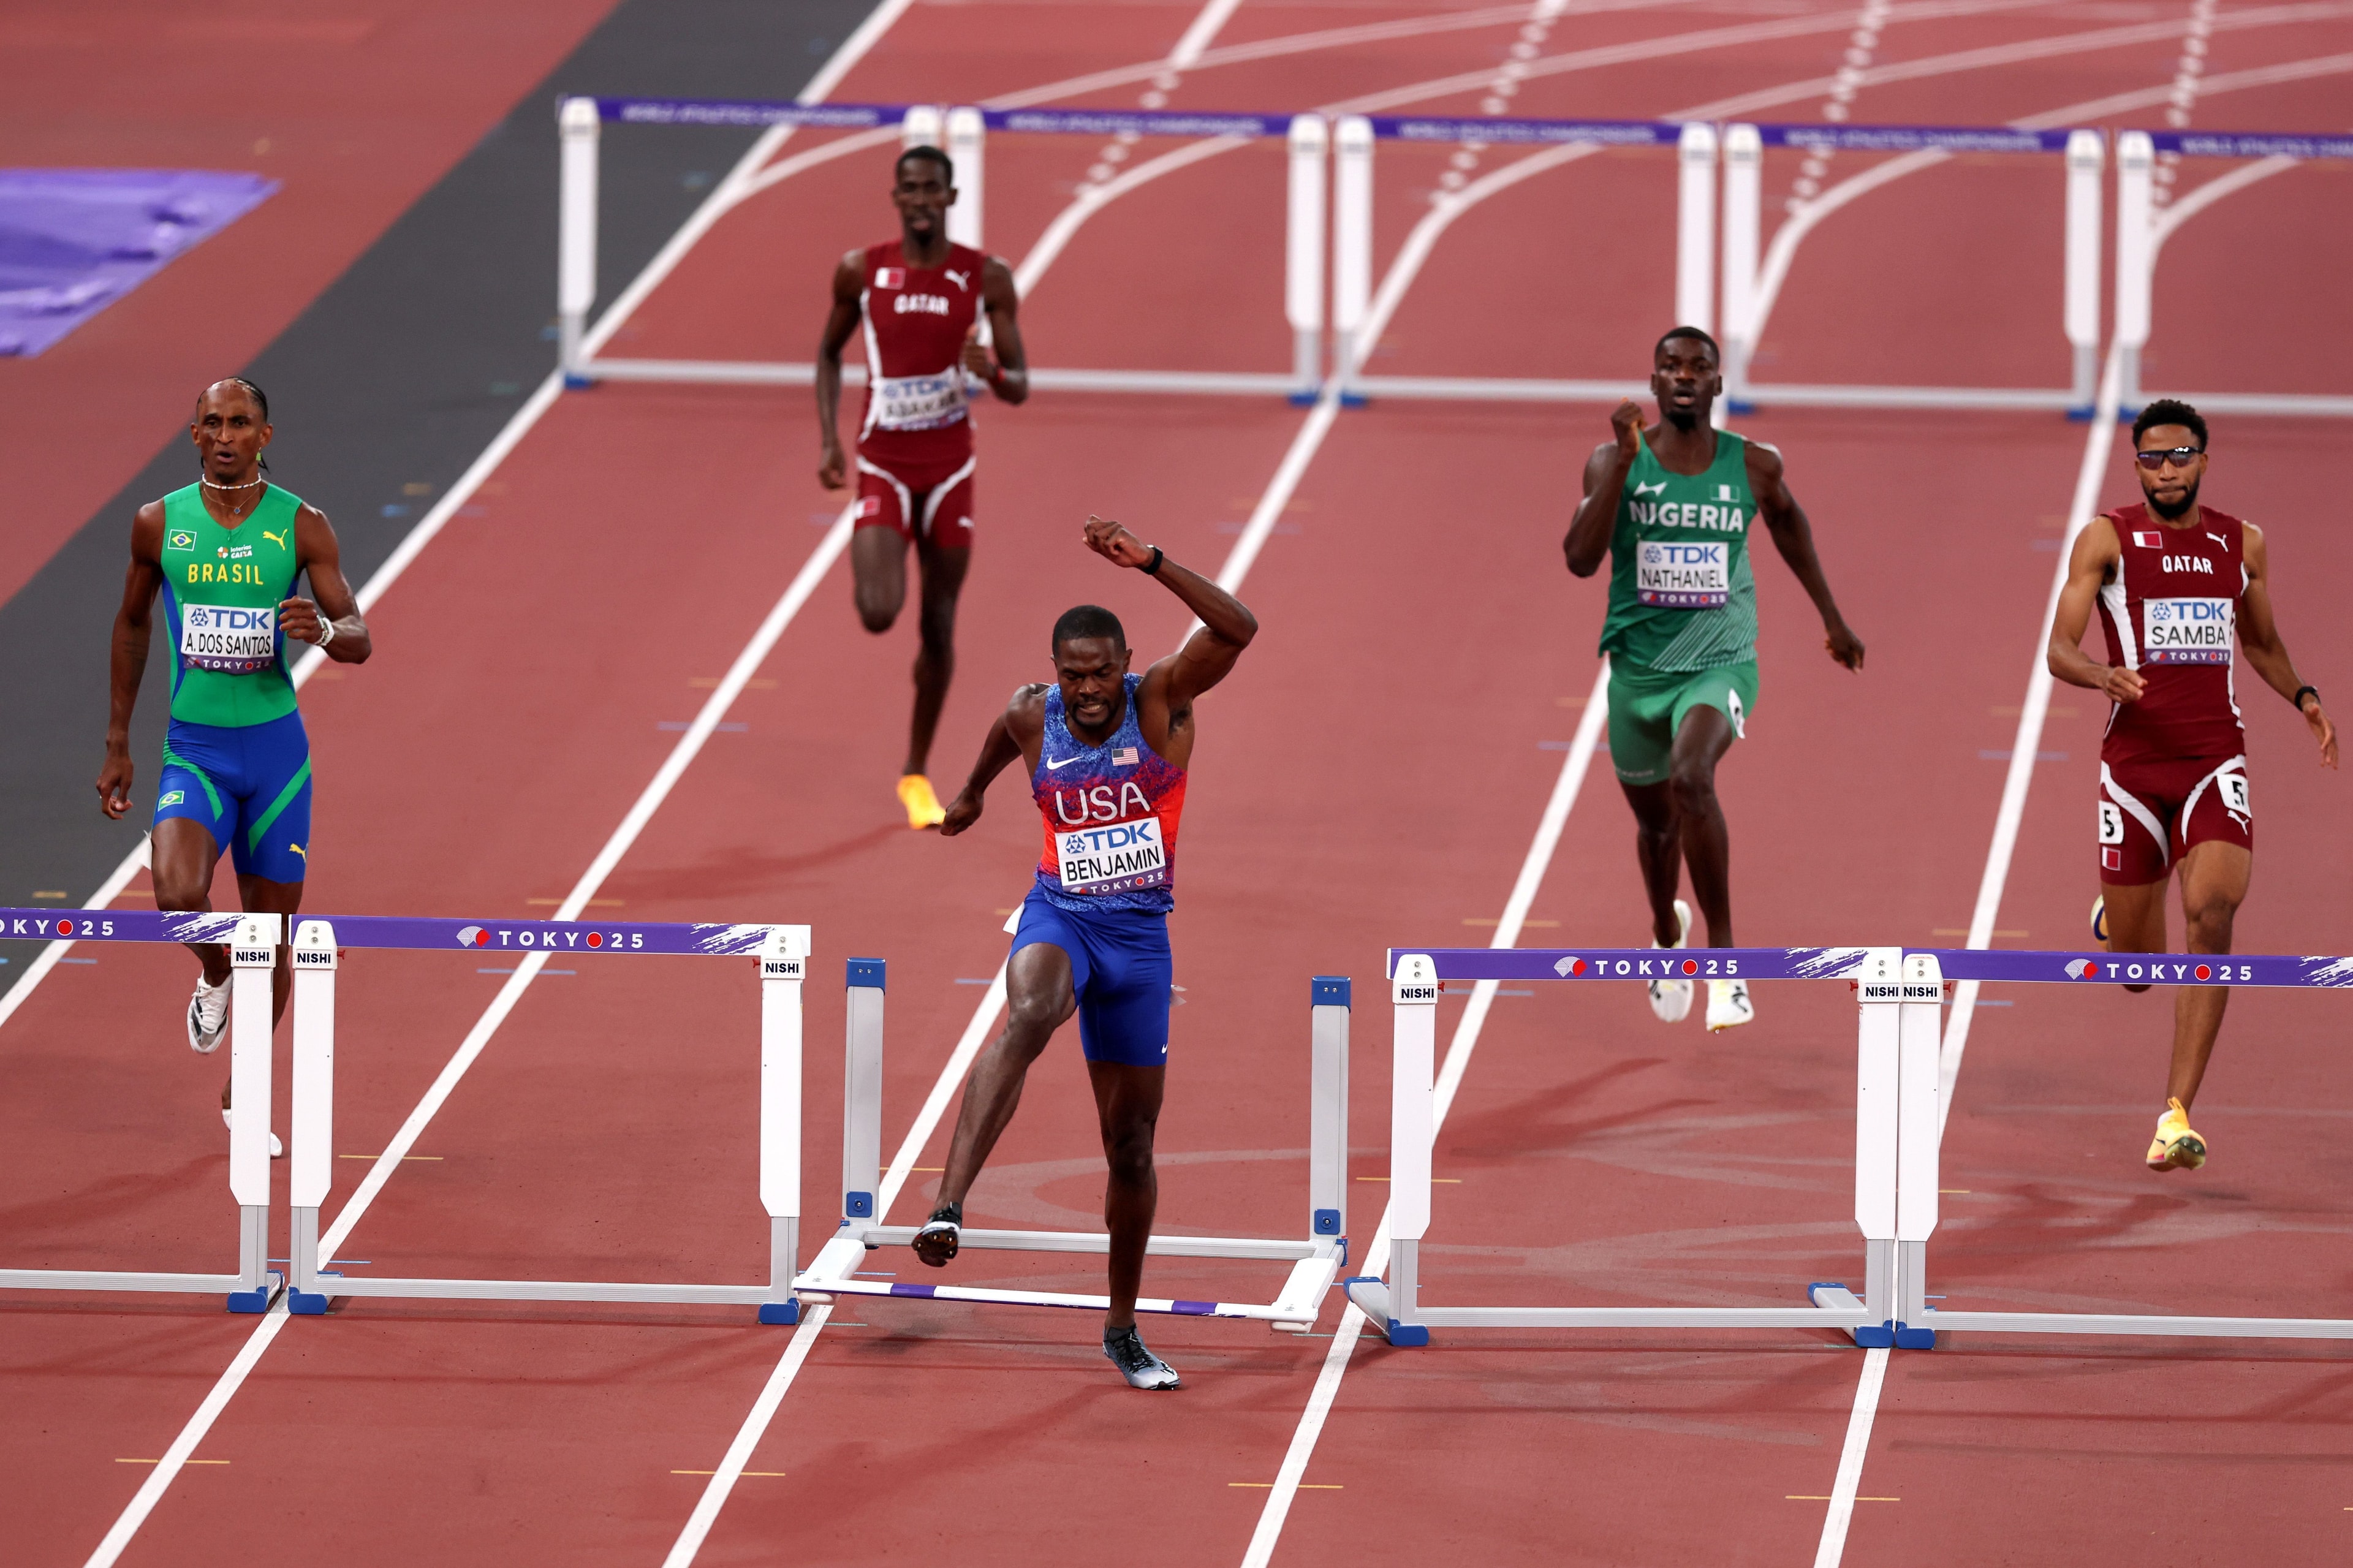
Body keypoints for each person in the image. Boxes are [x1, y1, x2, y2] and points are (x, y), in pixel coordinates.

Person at [922, 516, 1255, 1390]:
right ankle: (949, 1207)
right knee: (1031, 1007)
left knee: (1132, 1146)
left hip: (1140, 940)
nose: (1088, 690)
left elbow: (1239, 629)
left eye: (1101, 671)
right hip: (1061, 915)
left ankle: (1121, 1327)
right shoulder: (1038, 713)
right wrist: (968, 795)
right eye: (1074, 675)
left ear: (1124, 663)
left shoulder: (1161, 703)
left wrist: (1149, 559)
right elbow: (1005, 727)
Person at [2049, 398, 2335, 1173]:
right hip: (2134, 770)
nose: (2167, 470)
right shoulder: (2106, 539)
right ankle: (2120, 919)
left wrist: (2305, 698)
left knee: (2211, 914)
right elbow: (2057, 650)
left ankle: (2175, 1115)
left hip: (2215, 760)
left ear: (2205, 460)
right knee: (2140, 973)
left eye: (2180, 456)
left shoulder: (2242, 544)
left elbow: (2263, 642)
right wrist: (2101, 673)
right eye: (2152, 458)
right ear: (2136, 464)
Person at [96, 379, 371, 1152]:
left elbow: (359, 636)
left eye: (239, 423)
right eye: (211, 423)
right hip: (198, 749)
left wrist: (319, 629)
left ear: (265, 436)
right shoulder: (159, 522)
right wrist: (118, 741)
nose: (225, 435)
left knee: (274, 936)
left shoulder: (302, 526)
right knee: (179, 894)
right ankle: (217, 973)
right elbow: (130, 626)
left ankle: (244, 1092)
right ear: (194, 434)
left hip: (277, 758)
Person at [1562, 327, 1863, 1031]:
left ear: (1718, 385)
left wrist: (1832, 617)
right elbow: (1580, 559)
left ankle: (1725, 965)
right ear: (1656, 384)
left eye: (1700, 367)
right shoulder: (1612, 460)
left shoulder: (1752, 465)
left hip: (1720, 661)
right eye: (1672, 367)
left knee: (1693, 776)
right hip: (1637, 674)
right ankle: (1669, 936)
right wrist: (1623, 464)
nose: (1686, 376)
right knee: (1657, 832)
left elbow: (1789, 524)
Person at [816, 143, 1029, 830]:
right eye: (910, 189)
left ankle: (915, 770)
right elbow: (826, 353)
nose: (922, 200)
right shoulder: (861, 271)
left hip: (950, 471)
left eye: (933, 189)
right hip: (882, 462)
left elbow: (1021, 385)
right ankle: (913, 752)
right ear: (897, 198)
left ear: (951, 198)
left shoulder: (985, 278)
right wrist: (828, 440)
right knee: (880, 612)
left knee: (937, 625)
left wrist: (990, 371)